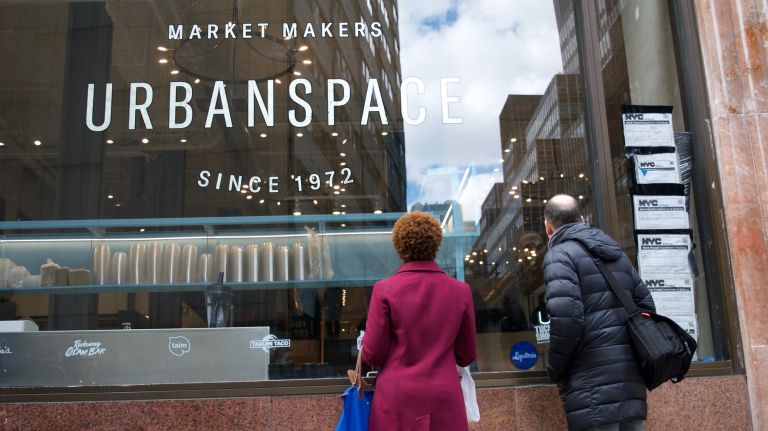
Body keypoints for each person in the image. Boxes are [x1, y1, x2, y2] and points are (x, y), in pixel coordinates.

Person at [542, 194, 656, 431]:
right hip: (630, 382)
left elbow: (567, 321)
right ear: (582, 219)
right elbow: (647, 308)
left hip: (591, 387)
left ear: (548, 226)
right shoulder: (614, 251)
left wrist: (555, 368)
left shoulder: (559, 255)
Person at [360, 211, 477, 431]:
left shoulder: (384, 290)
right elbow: (467, 354)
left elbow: (372, 354)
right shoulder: (461, 291)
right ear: (436, 244)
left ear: (399, 246)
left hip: (396, 397)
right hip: (445, 397)